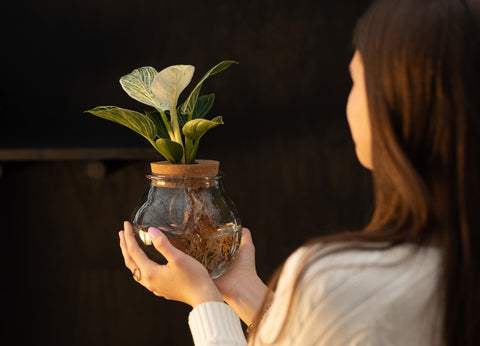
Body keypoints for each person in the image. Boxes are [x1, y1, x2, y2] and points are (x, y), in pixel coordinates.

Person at [118, 0, 480, 344]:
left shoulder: (333, 279)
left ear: (399, 104)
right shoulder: (447, 267)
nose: (349, 102)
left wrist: (203, 300)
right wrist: (240, 288)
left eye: (355, 81)